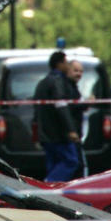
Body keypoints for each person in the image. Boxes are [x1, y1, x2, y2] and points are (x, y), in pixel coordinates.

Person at [33, 51, 80, 181]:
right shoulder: (58, 81)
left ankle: (52, 194)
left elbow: (36, 110)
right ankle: (50, 185)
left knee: (53, 165)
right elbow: (62, 107)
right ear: (59, 64)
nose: (67, 66)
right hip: (59, 134)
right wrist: (70, 129)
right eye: (65, 63)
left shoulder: (42, 82)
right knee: (71, 161)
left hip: (46, 134)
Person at [65, 59, 86, 178]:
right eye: (76, 70)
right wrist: (87, 103)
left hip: (74, 133)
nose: (79, 74)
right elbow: (72, 107)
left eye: (81, 71)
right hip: (71, 134)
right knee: (76, 164)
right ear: (68, 70)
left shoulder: (73, 87)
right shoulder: (68, 87)